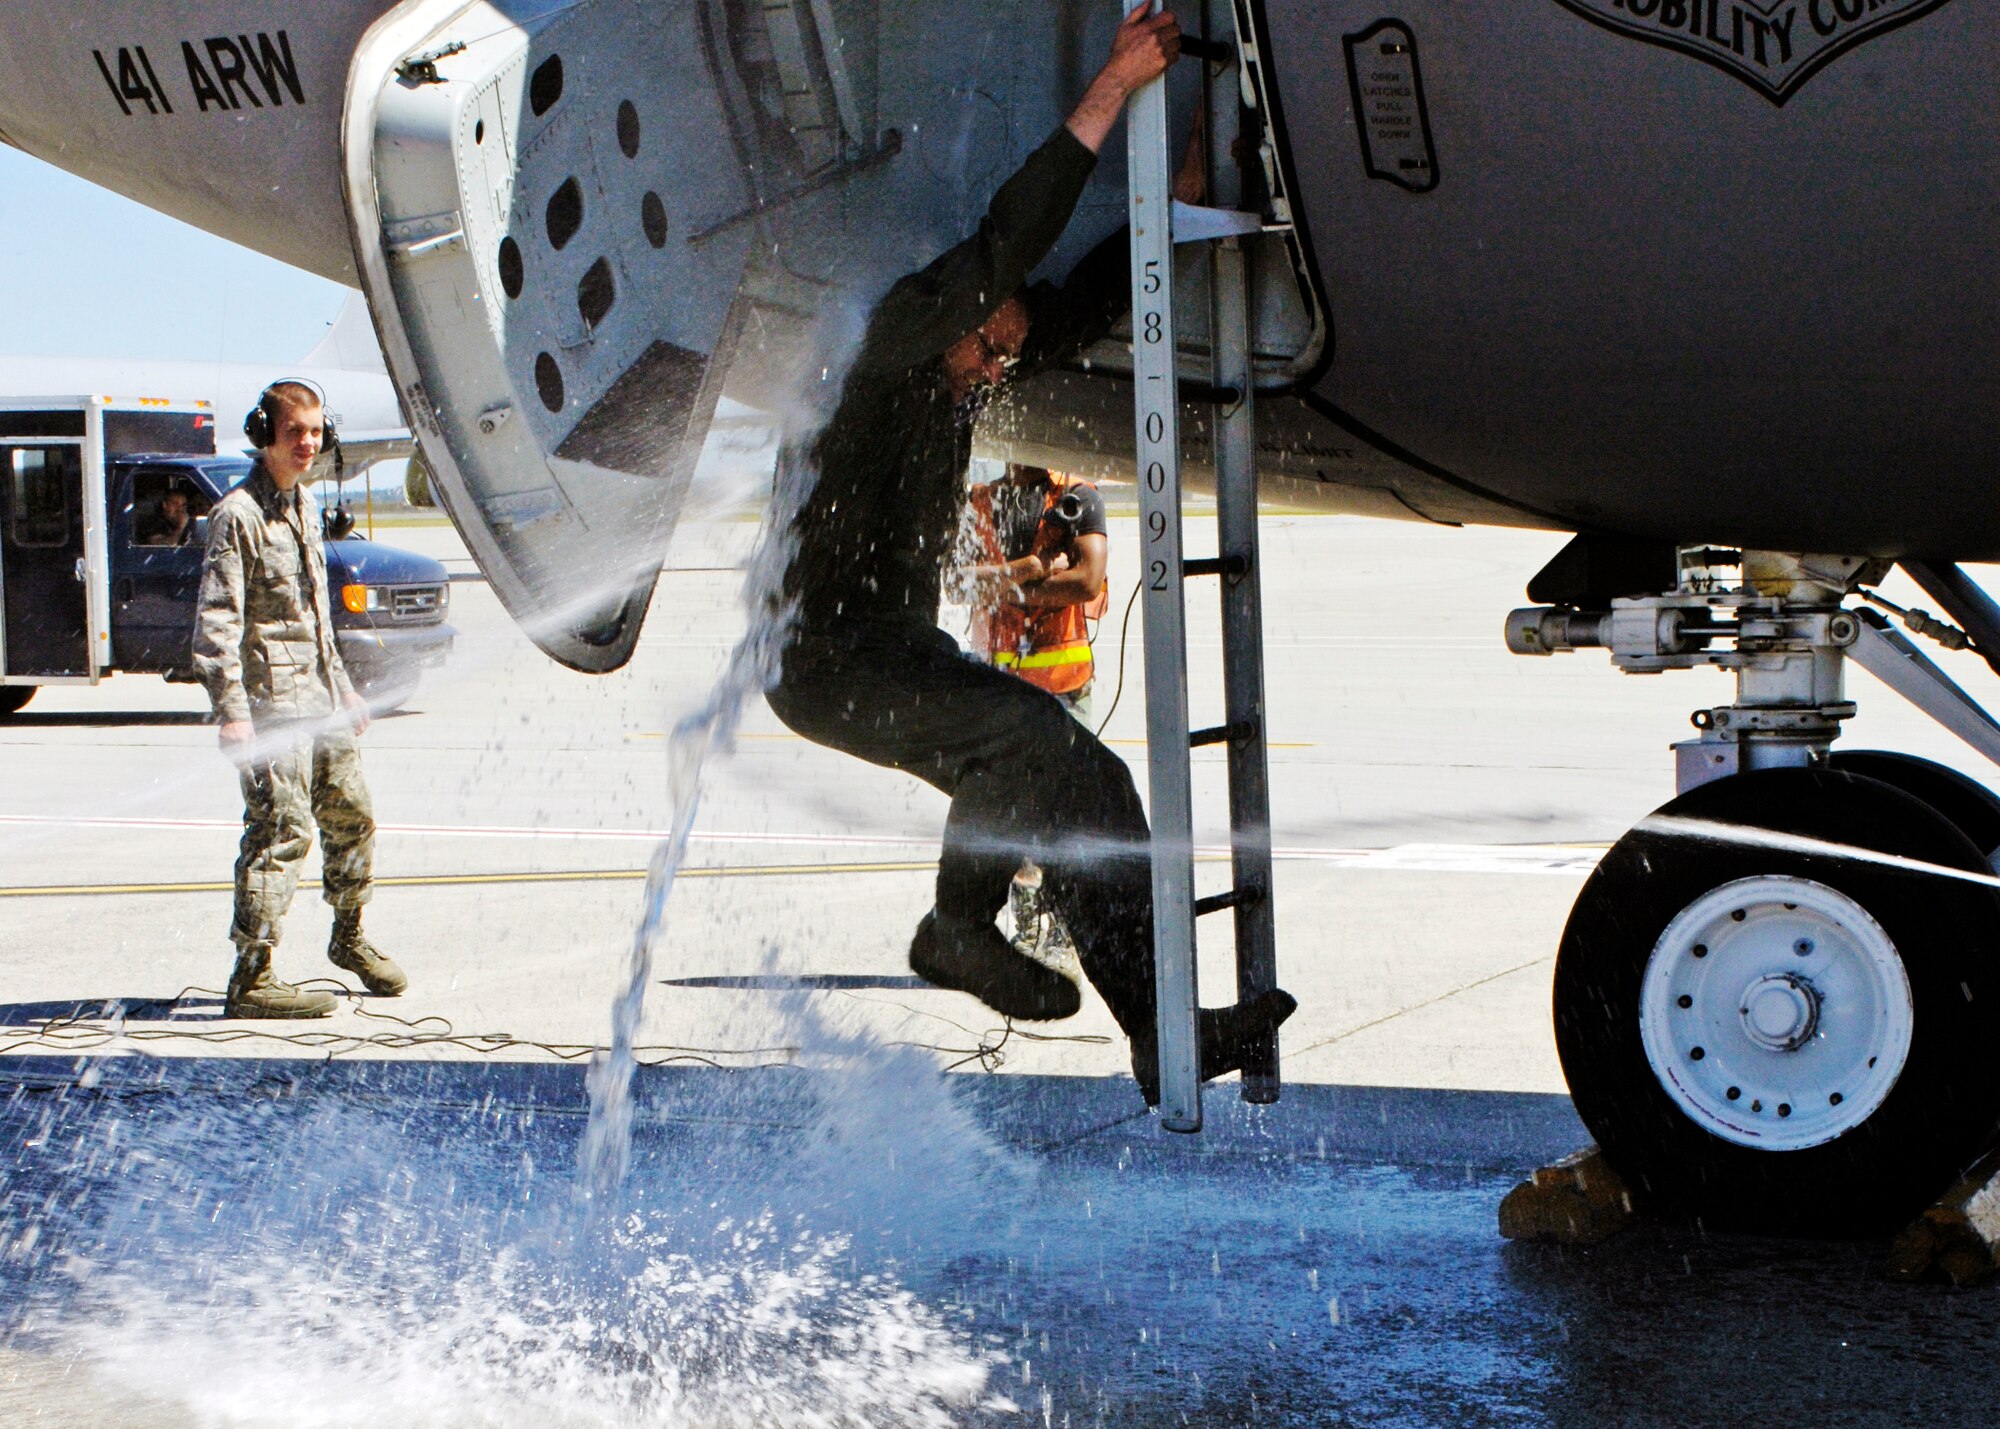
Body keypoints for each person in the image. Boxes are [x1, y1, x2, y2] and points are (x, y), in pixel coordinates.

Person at [765, 4, 1294, 1105]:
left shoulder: (971, 356)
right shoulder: (890, 342)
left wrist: (1174, 196)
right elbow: (1008, 245)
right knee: (1018, 732)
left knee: (1087, 780)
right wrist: (1110, 88)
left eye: (1008, 347)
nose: (999, 362)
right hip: (823, 659)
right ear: (956, 308)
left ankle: (1162, 1033)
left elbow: (1081, 299)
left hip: (889, 647)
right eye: (993, 337)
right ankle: (955, 927)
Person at [192, 381, 407, 1019]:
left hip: (319, 698)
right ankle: (252, 976)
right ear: (266, 432)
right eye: (295, 432)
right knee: (281, 831)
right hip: (269, 706)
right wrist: (232, 713)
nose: (308, 443)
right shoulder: (240, 516)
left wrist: (344, 688)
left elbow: (316, 614)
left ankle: (349, 937)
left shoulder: (304, 505)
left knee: (352, 816)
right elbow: (216, 626)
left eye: (316, 431)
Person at [965, 463, 1110, 965]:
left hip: (1063, 691)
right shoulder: (980, 501)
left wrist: (1005, 588)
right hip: (1002, 692)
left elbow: (1088, 581)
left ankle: (1064, 933)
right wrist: (1032, 568)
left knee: (1068, 818)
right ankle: (1028, 931)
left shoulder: (1077, 496)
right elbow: (959, 584)